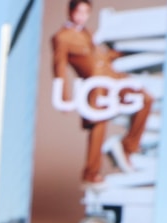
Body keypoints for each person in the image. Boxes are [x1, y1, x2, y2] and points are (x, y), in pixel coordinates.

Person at [51, 0, 154, 184]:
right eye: (79, 12)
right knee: (98, 126)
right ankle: (91, 173)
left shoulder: (88, 33)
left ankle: (127, 147)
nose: (82, 16)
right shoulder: (62, 37)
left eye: (86, 12)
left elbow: (101, 56)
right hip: (95, 85)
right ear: (71, 12)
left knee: (145, 99)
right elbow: (59, 65)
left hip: (113, 78)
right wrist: (63, 96)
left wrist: (123, 52)